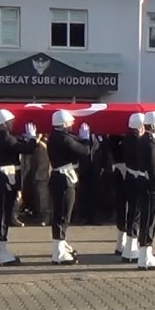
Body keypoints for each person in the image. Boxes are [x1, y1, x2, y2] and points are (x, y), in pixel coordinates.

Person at [0, 109, 38, 265]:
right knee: (3, 214)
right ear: (4, 123)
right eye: (11, 121)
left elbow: (13, 144)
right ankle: (0, 253)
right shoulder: (6, 137)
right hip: (4, 180)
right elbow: (27, 149)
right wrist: (32, 138)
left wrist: (22, 139)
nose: (13, 124)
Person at [46, 110, 92, 265]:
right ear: (63, 123)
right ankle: (58, 252)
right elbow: (84, 151)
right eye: (70, 122)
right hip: (63, 180)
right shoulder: (63, 139)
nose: (72, 125)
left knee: (61, 214)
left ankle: (61, 244)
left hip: (59, 178)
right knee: (62, 215)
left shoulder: (55, 137)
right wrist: (85, 139)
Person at [135, 111, 155, 270]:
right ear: (154, 125)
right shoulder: (151, 144)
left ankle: (144, 254)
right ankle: (145, 256)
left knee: (146, 220)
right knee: (149, 222)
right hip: (150, 188)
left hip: (144, 184)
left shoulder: (142, 141)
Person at [111, 113, 145, 261]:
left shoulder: (122, 139)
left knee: (123, 208)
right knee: (134, 211)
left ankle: (121, 243)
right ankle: (130, 248)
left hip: (123, 175)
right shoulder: (137, 140)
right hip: (134, 178)